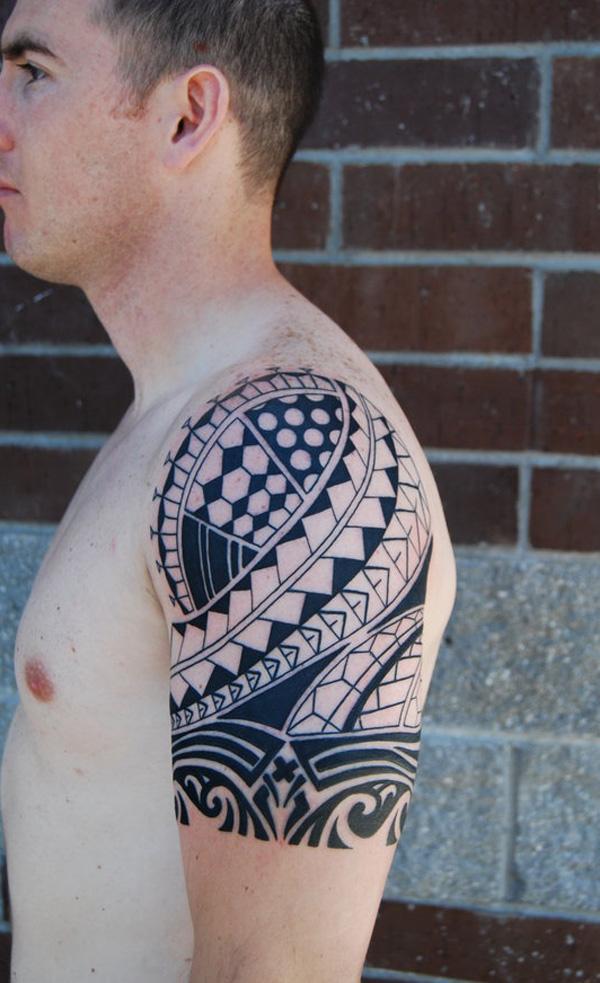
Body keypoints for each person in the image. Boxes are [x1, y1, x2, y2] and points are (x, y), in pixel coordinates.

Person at [0, 0, 457, 979]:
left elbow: (275, 968)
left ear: (187, 117)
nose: (2, 115)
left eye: (33, 72)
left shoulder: (279, 444)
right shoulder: (182, 414)